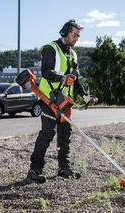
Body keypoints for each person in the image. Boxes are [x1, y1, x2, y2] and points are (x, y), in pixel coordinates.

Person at [27, 20, 97, 183]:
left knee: (65, 135)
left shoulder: (73, 54)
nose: (76, 39)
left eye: (78, 36)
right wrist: (62, 78)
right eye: (74, 35)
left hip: (65, 101)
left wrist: (86, 96)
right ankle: (34, 170)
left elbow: (75, 79)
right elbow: (45, 72)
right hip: (49, 99)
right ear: (64, 32)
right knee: (47, 134)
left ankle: (64, 168)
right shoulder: (51, 48)